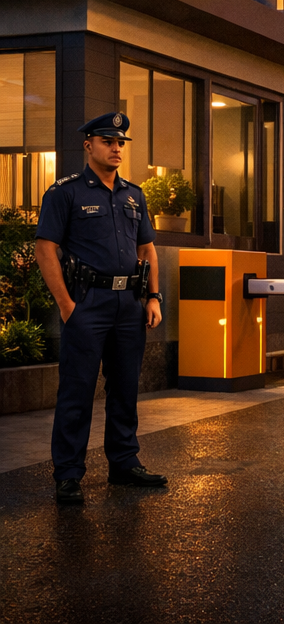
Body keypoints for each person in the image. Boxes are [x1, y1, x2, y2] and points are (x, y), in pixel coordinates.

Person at [35, 111, 168, 504]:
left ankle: (124, 463)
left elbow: (147, 249)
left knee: (125, 388)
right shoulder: (65, 193)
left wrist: (153, 297)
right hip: (87, 303)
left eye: (120, 143)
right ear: (88, 145)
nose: (116, 148)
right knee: (77, 390)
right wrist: (67, 306)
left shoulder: (134, 194)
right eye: (108, 141)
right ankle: (68, 474)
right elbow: (45, 249)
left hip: (128, 304)